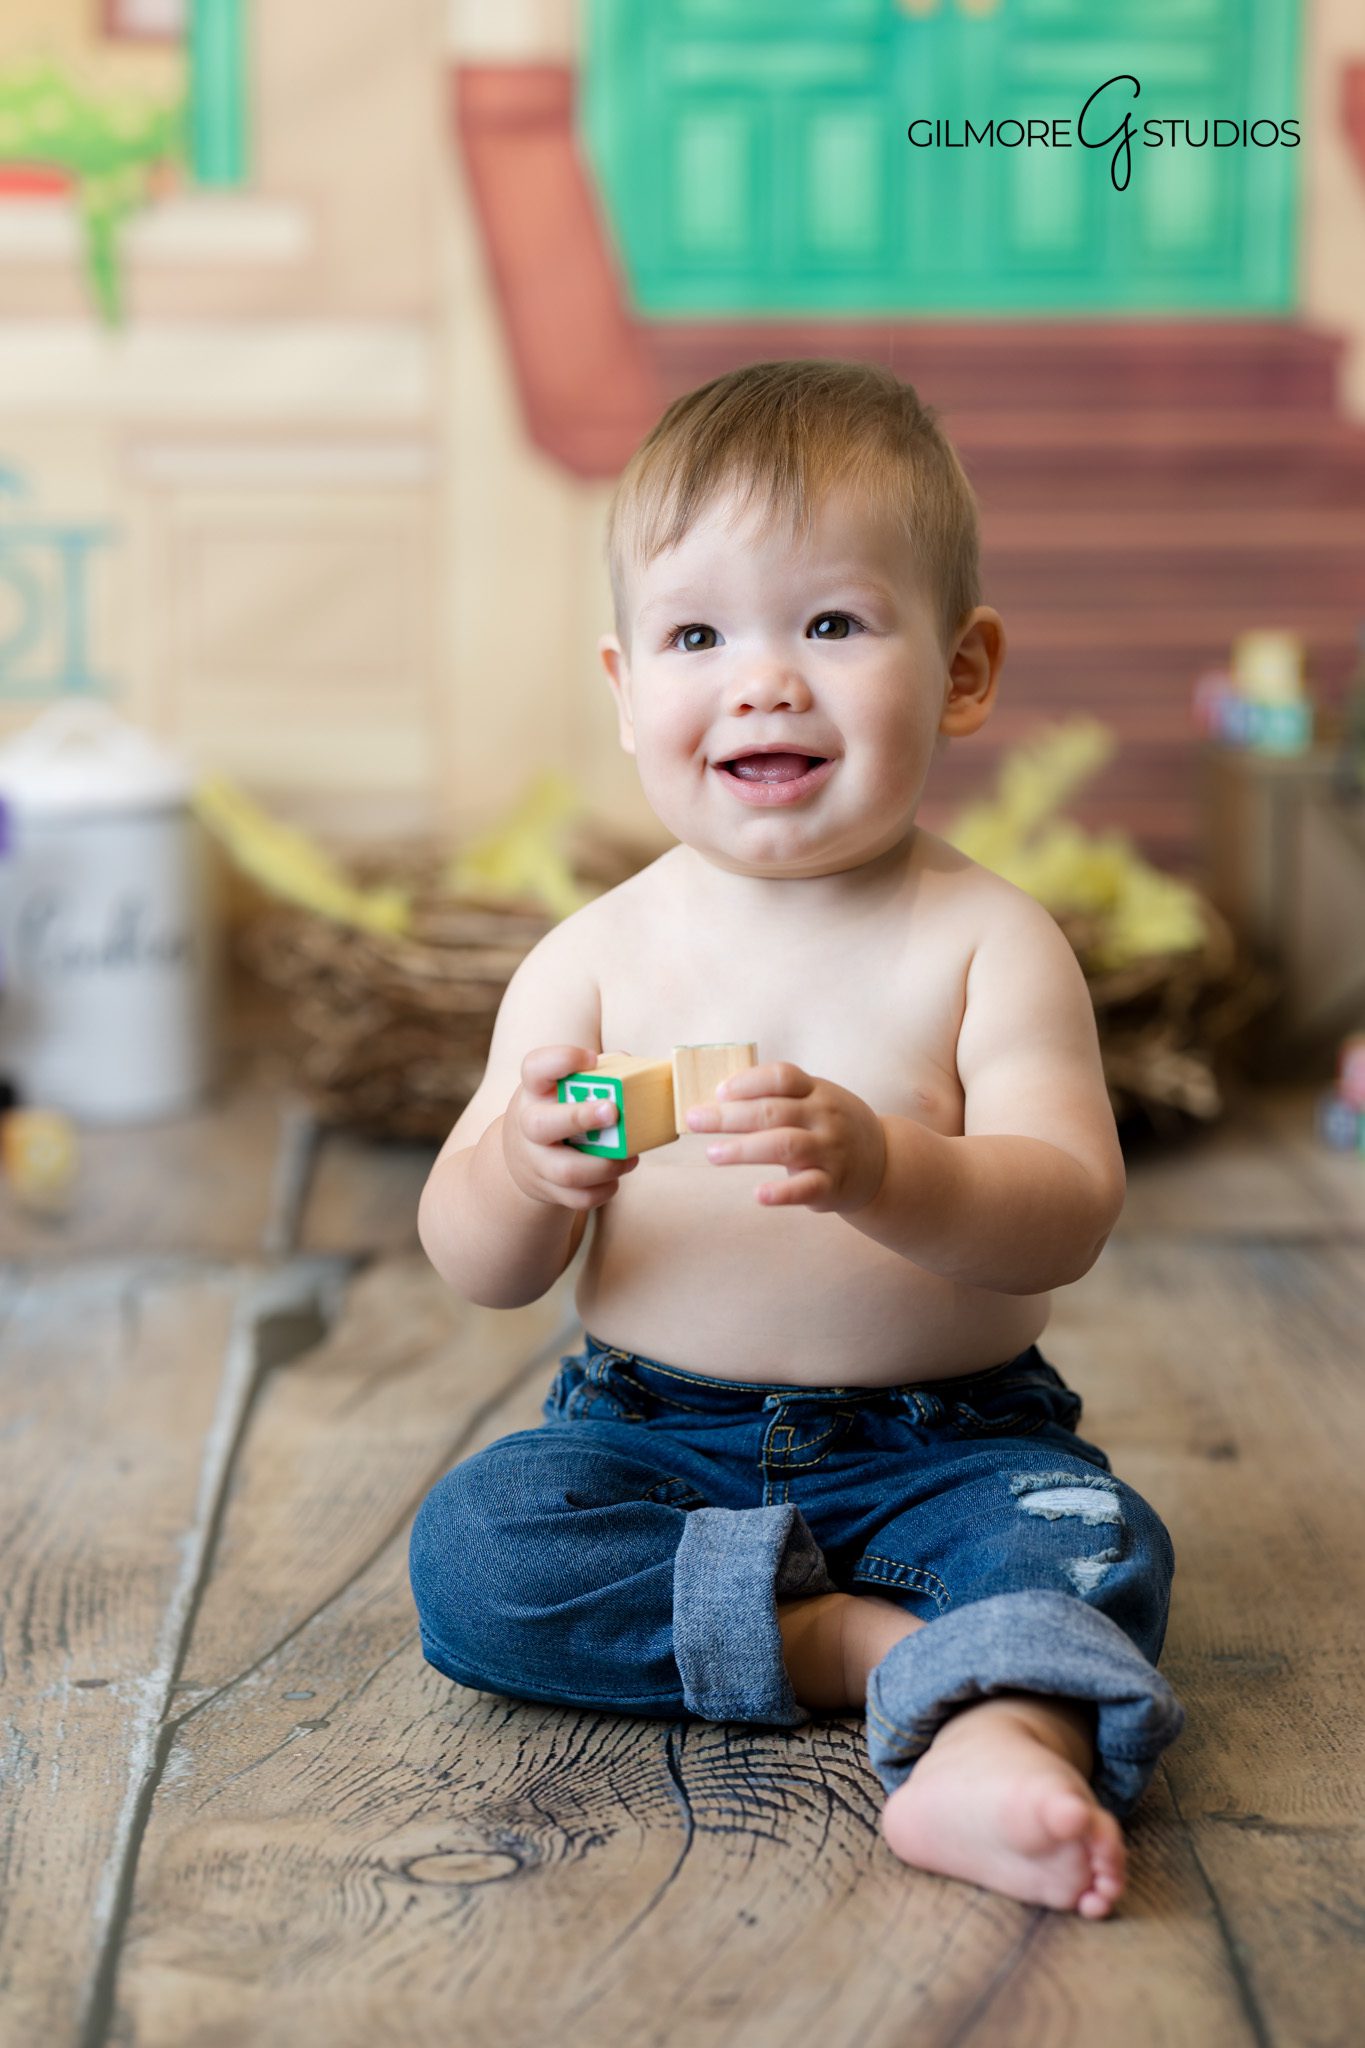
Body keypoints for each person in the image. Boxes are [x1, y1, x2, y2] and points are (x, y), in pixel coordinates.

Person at [409, 359, 1183, 1918]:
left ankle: (1001, 1747)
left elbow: (1065, 1211)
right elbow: (473, 1261)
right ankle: (885, 1663)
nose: (763, 680)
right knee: (478, 1551)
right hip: (646, 1435)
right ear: (628, 690)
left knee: (1093, 1538)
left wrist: (894, 1169)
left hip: (946, 1443)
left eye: (830, 624)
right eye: (700, 636)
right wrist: (520, 1174)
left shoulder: (985, 943)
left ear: (962, 673)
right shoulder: (591, 958)